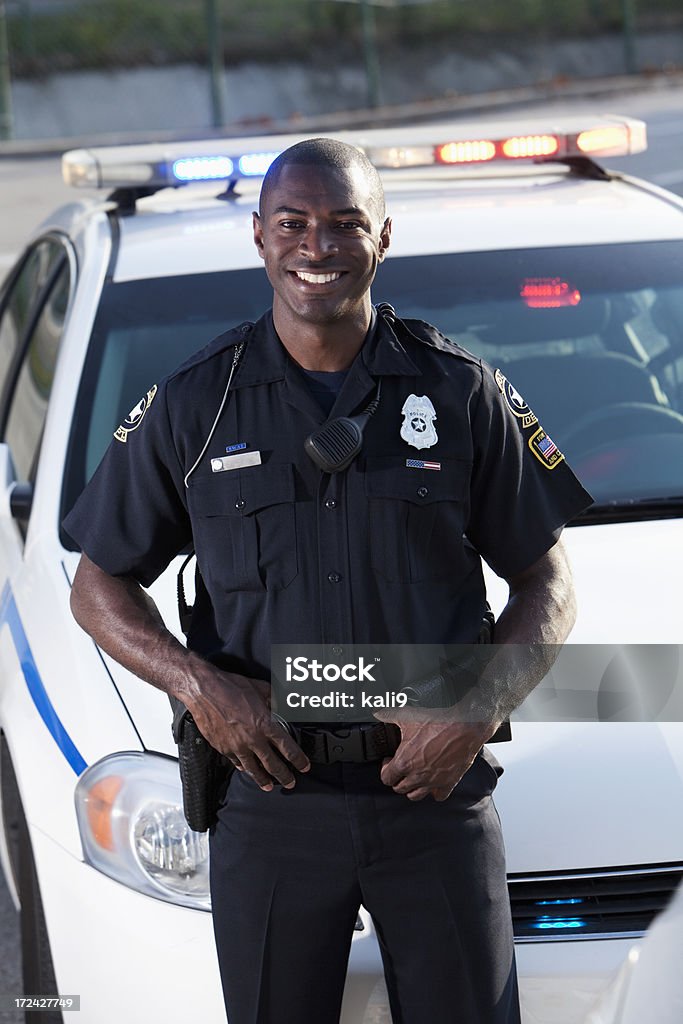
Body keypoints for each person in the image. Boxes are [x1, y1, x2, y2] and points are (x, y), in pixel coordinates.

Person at [64, 138, 592, 1024]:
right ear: (260, 239)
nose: (319, 246)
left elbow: (547, 580)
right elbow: (96, 587)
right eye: (293, 224)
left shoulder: (460, 391)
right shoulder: (196, 403)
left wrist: (471, 707)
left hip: (431, 795)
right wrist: (202, 689)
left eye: (345, 223)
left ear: (382, 236)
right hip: (272, 802)